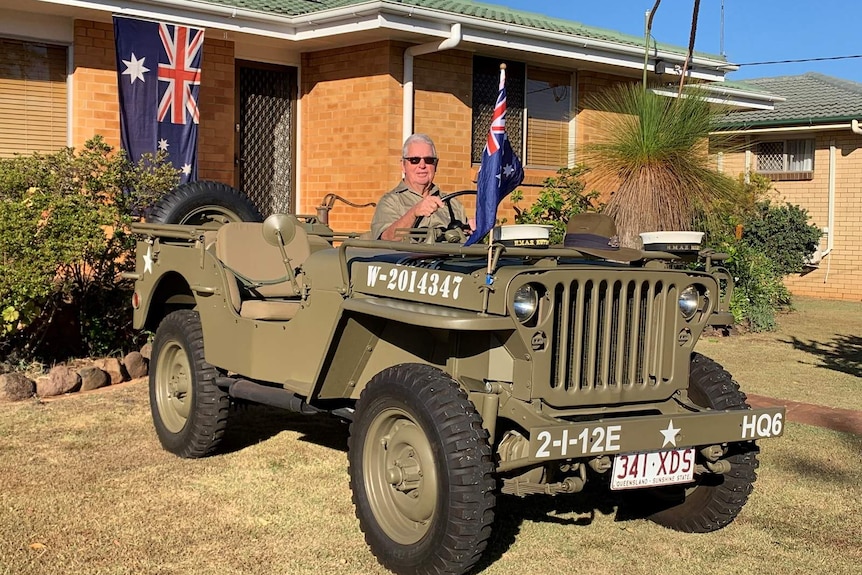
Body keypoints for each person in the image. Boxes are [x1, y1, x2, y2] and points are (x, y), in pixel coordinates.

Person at [371, 134, 471, 241]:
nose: (422, 165)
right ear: (403, 166)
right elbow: (386, 238)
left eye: (429, 160)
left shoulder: (452, 204)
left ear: (436, 165)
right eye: (414, 160)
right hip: (410, 257)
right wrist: (413, 213)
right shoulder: (391, 202)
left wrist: (472, 231)